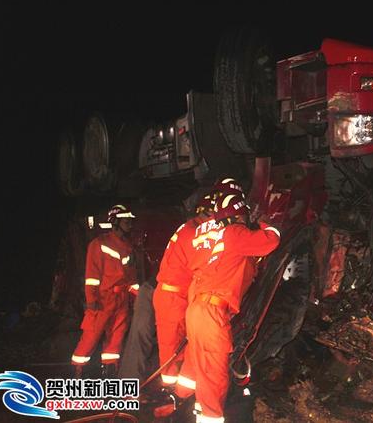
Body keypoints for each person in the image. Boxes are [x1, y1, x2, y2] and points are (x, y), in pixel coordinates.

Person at [153, 178, 248, 418]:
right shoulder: (193, 232)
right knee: (173, 349)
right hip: (175, 296)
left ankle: (182, 397)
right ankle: (170, 395)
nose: (215, 220)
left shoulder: (194, 231)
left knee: (194, 352)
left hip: (188, 299)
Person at [186, 188, 281, 423]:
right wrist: (266, 223)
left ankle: (200, 413)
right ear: (240, 215)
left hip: (197, 310)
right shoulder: (234, 233)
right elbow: (271, 241)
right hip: (211, 314)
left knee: (203, 374)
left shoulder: (211, 241)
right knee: (215, 377)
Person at [71, 204, 138, 378]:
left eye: (130, 221)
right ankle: (78, 372)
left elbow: (130, 277)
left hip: (121, 299)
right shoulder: (98, 244)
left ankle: (110, 372)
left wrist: (139, 296)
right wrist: (91, 299)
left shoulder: (127, 246)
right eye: (126, 221)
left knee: (116, 337)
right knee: (91, 336)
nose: (130, 225)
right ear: (115, 222)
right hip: (102, 299)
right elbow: (92, 275)